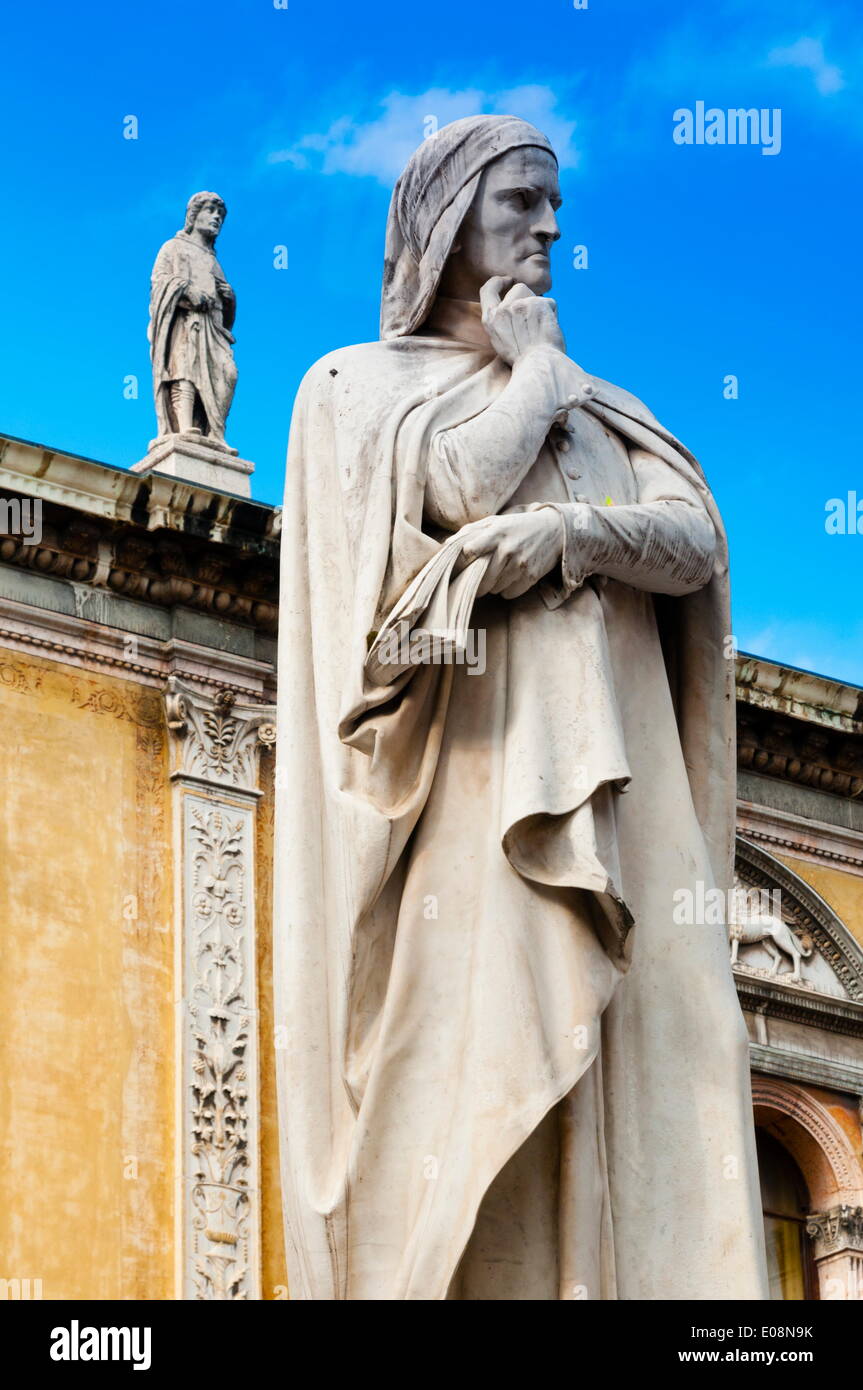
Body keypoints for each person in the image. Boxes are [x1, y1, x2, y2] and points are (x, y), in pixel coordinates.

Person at [274, 114, 769, 1300]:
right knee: (484, 1063)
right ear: (446, 229)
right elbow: (455, 484)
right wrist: (536, 374)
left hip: (618, 799)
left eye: (556, 205)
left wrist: (556, 537)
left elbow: (692, 541)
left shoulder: (608, 412)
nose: (550, 227)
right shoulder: (353, 389)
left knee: (633, 1064)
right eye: (521, 203)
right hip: (467, 799)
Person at [148, 191, 237, 446]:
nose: (217, 218)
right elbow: (159, 281)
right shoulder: (173, 248)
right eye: (211, 211)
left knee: (227, 374)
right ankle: (185, 427)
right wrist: (187, 291)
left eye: (221, 215)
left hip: (214, 330)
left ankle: (216, 434)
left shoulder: (213, 260)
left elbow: (227, 313)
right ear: (193, 215)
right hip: (185, 322)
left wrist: (230, 298)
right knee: (184, 367)